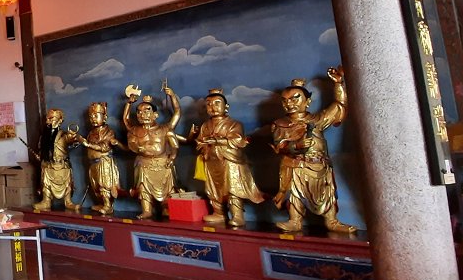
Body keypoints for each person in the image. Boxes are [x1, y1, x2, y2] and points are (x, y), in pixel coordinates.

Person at [271, 68, 356, 233]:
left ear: (307, 102)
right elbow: (279, 147)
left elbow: (338, 107)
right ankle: (295, 220)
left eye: (295, 99)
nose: (290, 104)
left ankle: (331, 220)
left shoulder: (316, 120)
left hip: (319, 164)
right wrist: (296, 146)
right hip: (296, 165)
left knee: (328, 191)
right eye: (285, 100)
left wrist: (338, 84)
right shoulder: (279, 124)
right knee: (294, 192)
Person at [194, 89, 265, 227]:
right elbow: (199, 141)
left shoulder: (234, 124)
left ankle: (237, 215)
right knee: (213, 189)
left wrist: (217, 141)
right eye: (209, 104)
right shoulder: (205, 126)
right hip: (211, 162)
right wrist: (203, 145)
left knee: (233, 189)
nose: (212, 107)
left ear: (226, 107)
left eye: (217, 103)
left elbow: (237, 140)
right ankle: (219, 213)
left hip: (229, 161)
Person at [123, 85, 181, 219]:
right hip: (143, 163)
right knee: (143, 188)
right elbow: (126, 121)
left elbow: (177, 112)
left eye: (147, 111)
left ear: (155, 115)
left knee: (168, 189)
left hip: (163, 163)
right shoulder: (135, 130)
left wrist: (172, 96)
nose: (143, 114)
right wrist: (129, 104)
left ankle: (166, 208)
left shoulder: (165, 128)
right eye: (139, 112)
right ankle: (147, 210)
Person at [80, 102, 123, 216]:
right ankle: (101, 203)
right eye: (91, 116)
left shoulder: (108, 132)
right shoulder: (91, 133)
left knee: (104, 184)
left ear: (104, 117)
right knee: (96, 186)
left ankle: (108, 205)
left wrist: (88, 145)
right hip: (93, 163)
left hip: (104, 162)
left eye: (96, 115)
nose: (93, 119)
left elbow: (104, 147)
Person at [34, 108, 81, 211]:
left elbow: (71, 140)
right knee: (46, 183)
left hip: (62, 166)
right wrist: (40, 156)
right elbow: (41, 150)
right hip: (48, 165)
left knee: (67, 184)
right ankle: (46, 201)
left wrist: (73, 137)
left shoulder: (64, 135)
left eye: (51, 118)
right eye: (47, 118)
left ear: (60, 120)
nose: (48, 121)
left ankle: (68, 202)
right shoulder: (44, 137)